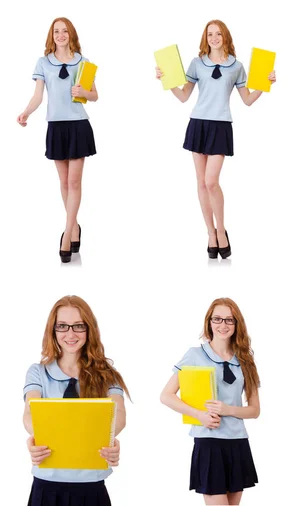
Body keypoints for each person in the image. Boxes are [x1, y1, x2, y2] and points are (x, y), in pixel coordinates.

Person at [156, 20, 276, 259]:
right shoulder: (197, 63)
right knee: (201, 183)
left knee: (212, 181)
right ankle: (210, 234)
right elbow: (183, 96)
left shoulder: (236, 66)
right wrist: (166, 80)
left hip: (220, 125)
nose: (214, 38)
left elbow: (248, 100)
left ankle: (221, 230)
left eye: (218, 33)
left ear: (225, 36)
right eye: (210, 34)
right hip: (198, 123)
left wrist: (266, 84)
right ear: (205, 38)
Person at [23, 295, 129, 506]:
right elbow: (30, 413)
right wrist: (35, 435)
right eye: (62, 326)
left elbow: (118, 415)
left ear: (89, 329)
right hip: (47, 485)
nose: (70, 334)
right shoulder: (38, 372)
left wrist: (108, 438)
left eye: (78, 326)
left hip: (91, 487)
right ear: (53, 330)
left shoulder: (108, 374)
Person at [160, 298, 260, 505]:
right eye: (217, 319)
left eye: (229, 320)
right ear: (209, 322)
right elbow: (166, 395)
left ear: (237, 324)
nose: (223, 325)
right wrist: (199, 415)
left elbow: (254, 410)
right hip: (209, 442)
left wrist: (228, 409)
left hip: (237, 442)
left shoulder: (245, 360)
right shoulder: (195, 355)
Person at [18, 17, 98, 262]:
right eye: (56, 31)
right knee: (63, 182)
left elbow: (94, 95)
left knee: (74, 182)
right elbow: (38, 96)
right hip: (56, 126)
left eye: (65, 31)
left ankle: (67, 233)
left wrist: (83, 92)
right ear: (51, 35)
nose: (61, 35)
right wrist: (26, 112)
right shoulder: (44, 62)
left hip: (78, 126)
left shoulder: (83, 63)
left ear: (71, 34)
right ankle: (75, 227)